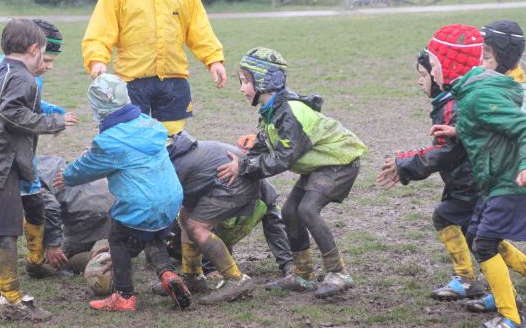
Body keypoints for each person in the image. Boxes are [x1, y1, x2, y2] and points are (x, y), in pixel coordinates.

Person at [217, 47, 367, 299]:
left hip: (340, 161)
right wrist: (251, 149)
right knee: (289, 212)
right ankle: (303, 274)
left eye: (245, 81)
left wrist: (242, 167)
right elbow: (269, 144)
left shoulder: (290, 113)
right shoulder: (270, 110)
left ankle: (338, 273)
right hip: (319, 164)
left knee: (307, 210)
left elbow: (282, 159)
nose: (242, 88)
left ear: (264, 81)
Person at [0, 18, 75, 322]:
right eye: (46, 58)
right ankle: (11, 301)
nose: (47, 65)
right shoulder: (23, 78)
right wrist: (54, 122)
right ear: (34, 49)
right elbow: (12, 115)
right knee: (7, 234)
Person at [52, 74, 190, 312]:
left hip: (141, 203)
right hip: (170, 199)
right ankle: (168, 275)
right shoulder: (151, 124)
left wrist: (66, 176)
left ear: (97, 107)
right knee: (154, 237)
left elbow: (87, 167)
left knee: (118, 238)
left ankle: (124, 296)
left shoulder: (108, 141)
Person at [82, 0, 227, 136]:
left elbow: (198, 26)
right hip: (132, 80)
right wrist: (96, 60)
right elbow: (101, 27)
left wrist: (214, 60)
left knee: (173, 140)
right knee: (134, 139)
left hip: (174, 80)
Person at [430, 24, 526, 328]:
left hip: (508, 181)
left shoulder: (480, 94)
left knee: (484, 243)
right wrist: (459, 131)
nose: (431, 74)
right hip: (494, 179)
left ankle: (510, 317)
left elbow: (522, 127)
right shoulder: (472, 92)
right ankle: (503, 294)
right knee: (477, 236)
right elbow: (488, 126)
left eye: (432, 66)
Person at [376, 48, 485, 301]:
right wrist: (407, 158)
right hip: (468, 181)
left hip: (473, 182)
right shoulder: (446, 104)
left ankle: (469, 279)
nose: (420, 80)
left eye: (424, 74)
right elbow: (443, 148)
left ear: (441, 74)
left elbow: (448, 150)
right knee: (475, 234)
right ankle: (472, 280)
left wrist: (404, 164)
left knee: (463, 226)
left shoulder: (451, 106)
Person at [166, 130, 292, 304]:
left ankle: (236, 279)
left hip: (234, 187)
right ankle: (193, 276)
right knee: (186, 216)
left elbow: (161, 205)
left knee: (197, 226)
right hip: (221, 185)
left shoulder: (174, 164)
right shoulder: (174, 155)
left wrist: (288, 263)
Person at [37, 155, 114, 275]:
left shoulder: (24, 178)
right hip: (106, 194)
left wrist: (53, 245)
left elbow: (50, 207)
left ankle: (107, 260)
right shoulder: (41, 160)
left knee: (47, 263)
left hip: (86, 210)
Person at [480, 20, 526, 112]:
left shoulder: (518, 98)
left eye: (485, 57)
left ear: (506, 60)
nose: (479, 63)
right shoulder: (481, 83)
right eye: (477, 56)